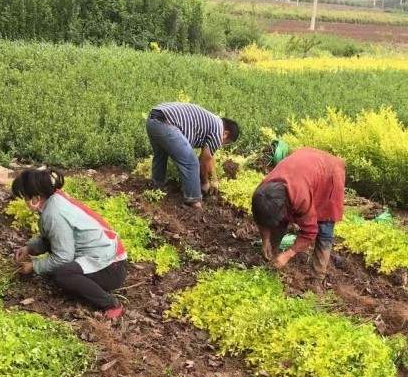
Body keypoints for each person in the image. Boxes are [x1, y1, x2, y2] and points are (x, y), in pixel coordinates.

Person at [11, 168, 127, 319]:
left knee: (62, 275)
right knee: (56, 270)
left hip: (111, 269)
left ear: (35, 198)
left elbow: (63, 257)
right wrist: (30, 248)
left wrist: (34, 266)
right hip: (109, 259)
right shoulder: (55, 199)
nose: (25, 202)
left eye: (25, 197)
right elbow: (53, 238)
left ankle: (111, 304)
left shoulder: (53, 214)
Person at [251, 147, 346, 279]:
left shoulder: (301, 198)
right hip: (305, 166)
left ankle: (317, 277)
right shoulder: (262, 192)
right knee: (276, 221)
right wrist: (265, 240)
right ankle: (272, 256)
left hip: (329, 173)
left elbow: (310, 232)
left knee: (324, 228)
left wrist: (289, 254)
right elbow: (262, 219)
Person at [146, 102, 240, 208]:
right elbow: (203, 161)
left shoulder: (212, 122)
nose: (221, 144)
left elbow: (209, 157)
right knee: (191, 162)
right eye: (225, 142)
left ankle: (156, 187)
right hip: (166, 124)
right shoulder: (218, 131)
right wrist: (205, 183)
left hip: (153, 120)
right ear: (225, 134)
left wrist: (214, 178)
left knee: (161, 155)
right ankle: (194, 202)